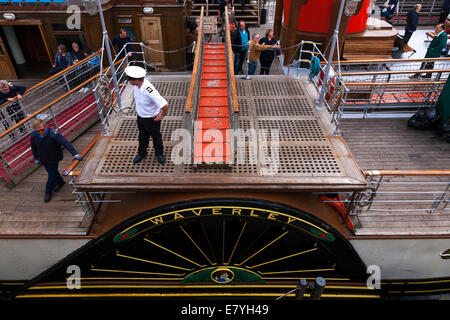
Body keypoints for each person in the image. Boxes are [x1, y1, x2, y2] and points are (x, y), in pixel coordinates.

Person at [125, 66, 168, 165]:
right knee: (142, 136)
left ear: (136, 81)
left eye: (129, 80)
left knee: (156, 137)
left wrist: (162, 115)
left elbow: (164, 104)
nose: (128, 82)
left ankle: (159, 154)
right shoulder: (137, 86)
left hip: (151, 119)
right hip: (141, 117)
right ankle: (142, 153)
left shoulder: (149, 90)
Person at [30, 119, 82, 202]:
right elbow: (33, 147)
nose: (40, 132)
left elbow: (65, 143)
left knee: (51, 174)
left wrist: (74, 154)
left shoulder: (54, 134)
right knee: (52, 172)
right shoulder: (33, 135)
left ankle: (48, 192)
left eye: (42, 130)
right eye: (37, 131)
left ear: (46, 127)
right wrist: (36, 157)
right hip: (43, 158)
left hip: (54, 158)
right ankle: (60, 182)